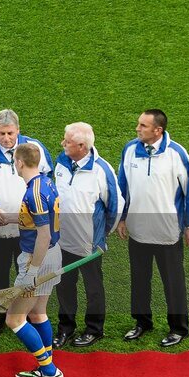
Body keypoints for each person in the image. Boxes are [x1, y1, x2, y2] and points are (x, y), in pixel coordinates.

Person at [117, 109, 189, 347]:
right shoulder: (129, 150)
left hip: (167, 232)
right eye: (138, 124)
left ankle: (178, 328)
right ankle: (142, 322)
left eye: (143, 126)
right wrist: (121, 219)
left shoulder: (176, 154)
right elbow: (122, 187)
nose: (137, 129)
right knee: (139, 279)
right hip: (138, 230)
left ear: (158, 130)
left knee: (173, 282)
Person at [0, 109, 52, 336]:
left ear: (18, 130)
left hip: (29, 229)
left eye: (10, 133)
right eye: (1, 134)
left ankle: (28, 314)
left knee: (26, 271)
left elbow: (47, 179)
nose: (6, 138)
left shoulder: (35, 149)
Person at [0, 143, 64, 377]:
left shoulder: (33, 193)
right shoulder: (45, 184)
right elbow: (40, 219)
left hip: (37, 259)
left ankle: (49, 371)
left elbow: (43, 235)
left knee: (14, 319)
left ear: (19, 163)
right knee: (38, 314)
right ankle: (44, 365)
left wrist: (31, 272)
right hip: (51, 256)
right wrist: (10, 218)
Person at [52, 122, 122, 348]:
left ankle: (94, 329)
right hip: (63, 241)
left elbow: (115, 205)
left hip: (89, 244)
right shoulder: (61, 163)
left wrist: (102, 235)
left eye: (67, 141)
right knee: (64, 286)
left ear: (82, 146)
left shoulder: (101, 170)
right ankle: (66, 329)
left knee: (93, 287)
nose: (63, 143)